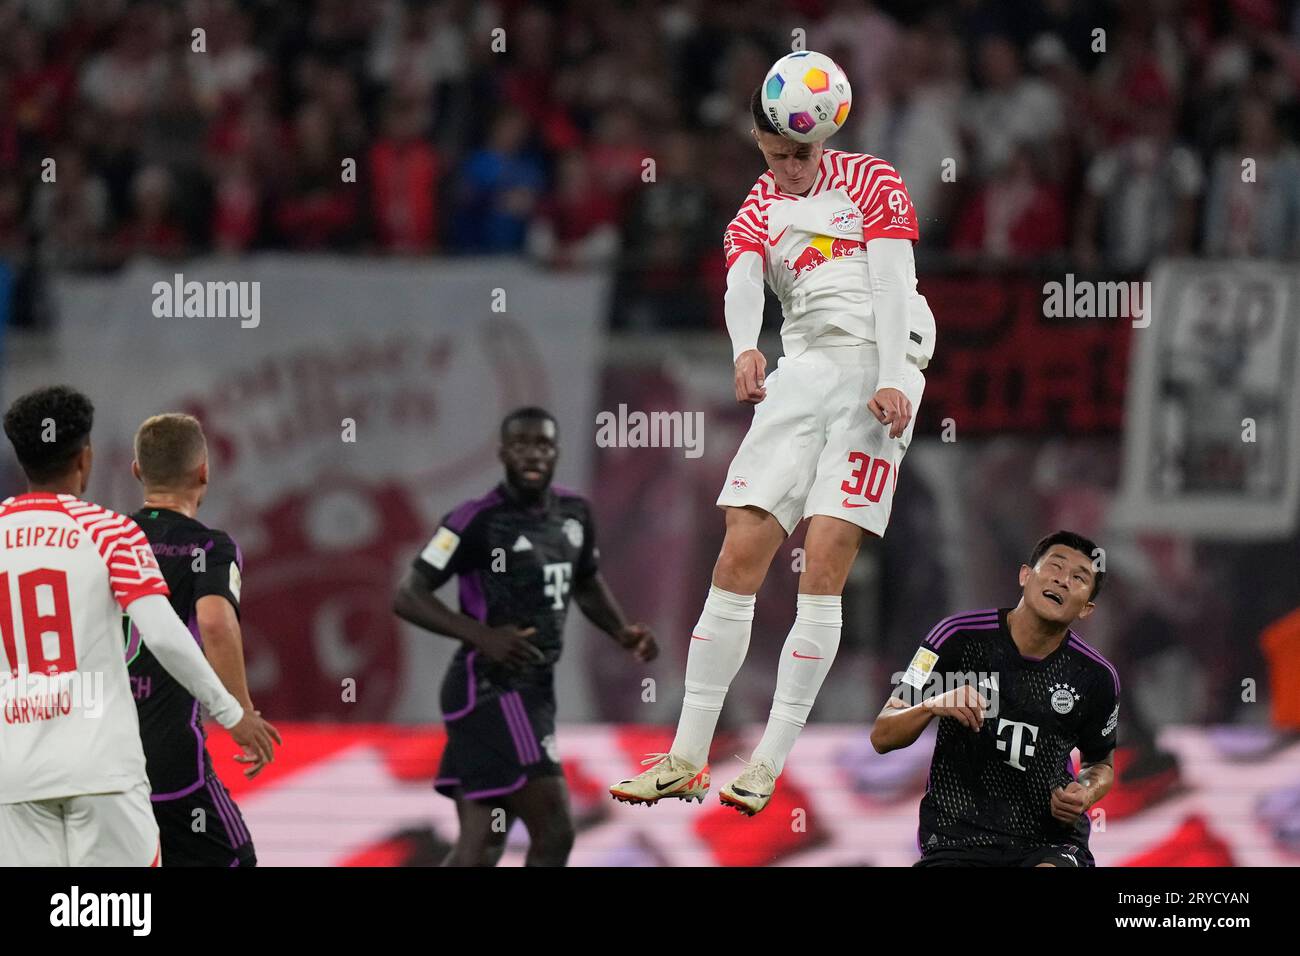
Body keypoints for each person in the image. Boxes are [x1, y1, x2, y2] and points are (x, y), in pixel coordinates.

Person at [610, 66, 936, 815]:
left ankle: (767, 761)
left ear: (825, 135)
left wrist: (890, 375)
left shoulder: (873, 181)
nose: (791, 167)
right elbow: (742, 282)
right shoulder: (758, 202)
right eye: (777, 153)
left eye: (802, 153)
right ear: (760, 140)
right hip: (803, 371)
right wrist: (743, 351)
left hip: (878, 365)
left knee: (823, 562)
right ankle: (687, 756)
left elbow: (893, 280)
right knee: (738, 553)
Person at [0, 386, 277, 865]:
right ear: (84, 458)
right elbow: (168, 634)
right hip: (102, 769)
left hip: (16, 772)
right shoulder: (109, 531)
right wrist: (234, 714)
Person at [394, 407, 657, 865]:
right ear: (502, 453)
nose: (533, 455)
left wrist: (621, 631)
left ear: (556, 451)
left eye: (543, 445)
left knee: (482, 845)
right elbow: (408, 594)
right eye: (521, 446)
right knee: (554, 828)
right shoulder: (474, 520)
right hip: (492, 688)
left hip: (533, 691)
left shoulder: (574, 514)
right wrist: (483, 636)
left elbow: (586, 580)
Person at [871, 531, 1118, 867]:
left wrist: (1086, 792)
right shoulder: (955, 638)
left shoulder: (1096, 677)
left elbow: (1100, 764)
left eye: (1078, 577)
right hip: (957, 841)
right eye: (1055, 567)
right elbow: (883, 735)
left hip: (1050, 842)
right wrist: (932, 704)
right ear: (1025, 575)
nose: (1062, 580)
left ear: (1087, 608)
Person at [125, 412, 279, 866]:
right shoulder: (208, 548)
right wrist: (241, 712)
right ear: (204, 472)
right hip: (169, 758)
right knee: (235, 859)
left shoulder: (105, 540)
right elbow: (214, 622)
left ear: (137, 471)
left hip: (101, 754)